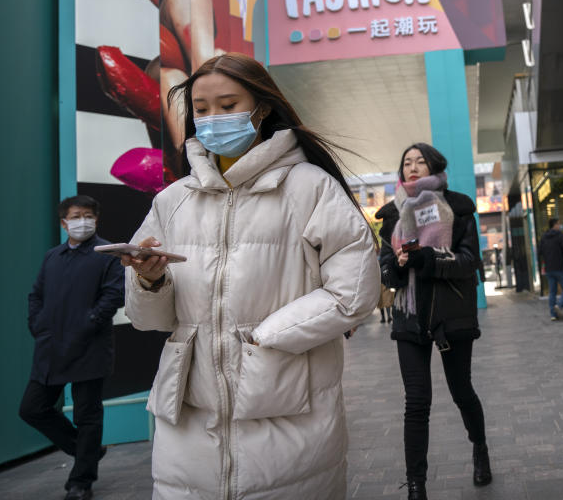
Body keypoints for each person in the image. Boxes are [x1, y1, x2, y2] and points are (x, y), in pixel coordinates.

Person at [122, 53, 380, 499]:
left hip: (287, 410)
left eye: (227, 105)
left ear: (262, 109)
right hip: (188, 424)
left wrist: (265, 336)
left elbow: (353, 293)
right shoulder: (172, 201)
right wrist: (149, 281)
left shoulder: (310, 187)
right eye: (201, 109)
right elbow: (150, 320)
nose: (212, 118)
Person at [375, 143, 491, 500]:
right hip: (409, 319)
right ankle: (416, 485)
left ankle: (480, 449)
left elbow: (469, 261)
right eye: (406, 162)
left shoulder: (458, 209)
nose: (412, 167)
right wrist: (395, 263)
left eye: (419, 161)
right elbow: (387, 273)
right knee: (416, 402)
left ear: (435, 166)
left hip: (450, 315)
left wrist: (426, 258)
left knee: (461, 391)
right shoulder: (392, 216)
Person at [19, 195, 124, 500]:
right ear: (64, 223)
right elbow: (35, 294)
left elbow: (114, 295)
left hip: (89, 346)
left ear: (96, 220)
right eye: (76, 216)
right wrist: (36, 325)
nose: (83, 221)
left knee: (87, 415)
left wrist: (89, 321)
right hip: (50, 347)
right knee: (32, 408)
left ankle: (81, 482)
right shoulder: (53, 256)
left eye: (89, 215)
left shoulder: (107, 254)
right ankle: (86, 450)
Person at [538, 218, 563, 320]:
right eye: (559, 224)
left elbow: (539, 252)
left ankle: (553, 315)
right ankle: (559, 306)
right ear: (554, 225)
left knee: (552, 291)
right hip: (559, 267)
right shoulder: (560, 236)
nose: (560, 226)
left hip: (549, 268)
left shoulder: (543, 237)